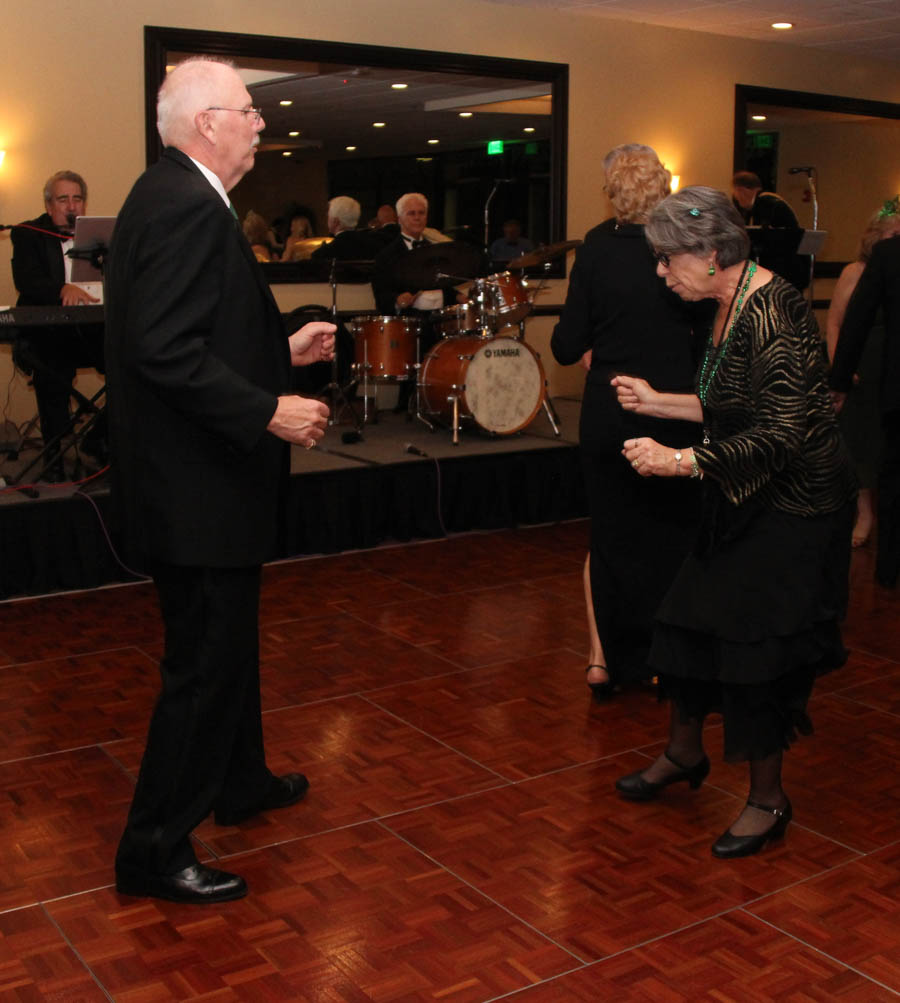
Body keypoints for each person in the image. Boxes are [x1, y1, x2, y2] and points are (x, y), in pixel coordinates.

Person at [104, 56, 335, 905]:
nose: (260, 124)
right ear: (207, 124)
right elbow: (161, 349)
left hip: (194, 483)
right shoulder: (187, 206)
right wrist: (268, 410)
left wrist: (281, 352)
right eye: (248, 110)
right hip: (198, 490)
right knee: (203, 665)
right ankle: (154, 849)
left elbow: (196, 329)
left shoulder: (171, 195)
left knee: (226, 647)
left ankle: (240, 782)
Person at [611, 185, 856, 858]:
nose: (662, 273)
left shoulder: (775, 314)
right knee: (687, 616)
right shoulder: (725, 302)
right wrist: (662, 403)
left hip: (795, 505)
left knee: (757, 649)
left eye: (669, 260)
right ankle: (684, 753)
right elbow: (733, 404)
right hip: (745, 494)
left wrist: (681, 462)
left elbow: (778, 436)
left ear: (713, 253)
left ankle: (769, 799)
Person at [550, 144, 701, 700]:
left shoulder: (595, 248)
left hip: (611, 410)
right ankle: (665, 657)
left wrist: (596, 344)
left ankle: (602, 659)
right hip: (674, 409)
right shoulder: (683, 251)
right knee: (669, 536)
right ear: (664, 191)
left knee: (610, 537)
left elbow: (566, 346)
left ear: (613, 193)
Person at [10, 170, 106, 476]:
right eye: (63, 199)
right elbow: (27, 281)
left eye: (77, 198)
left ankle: (98, 440)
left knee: (131, 361)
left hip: (89, 331)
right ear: (50, 205)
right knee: (52, 370)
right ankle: (54, 458)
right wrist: (61, 289)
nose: (71, 205)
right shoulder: (28, 233)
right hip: (48, 335)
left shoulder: (99, 236)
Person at [825, 198, 900, 549]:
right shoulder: (854, 272)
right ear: (876, 236)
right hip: (860, 370)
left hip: (889, 369)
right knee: (861, 443)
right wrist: (841, 368)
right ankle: (864, 513)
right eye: (893, 233)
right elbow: (837, 322)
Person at [731, 170, 807, 290]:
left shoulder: (766, 203)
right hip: (789, 268)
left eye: (735, 192)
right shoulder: (770, 201)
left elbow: (763, 236)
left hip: (782, 269)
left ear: (742, 190)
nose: (736, 198)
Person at [311, 195, 382, 262]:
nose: (327, 218)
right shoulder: (375, 247)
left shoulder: (323, 254)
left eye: (328, 216)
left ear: (336, 221)